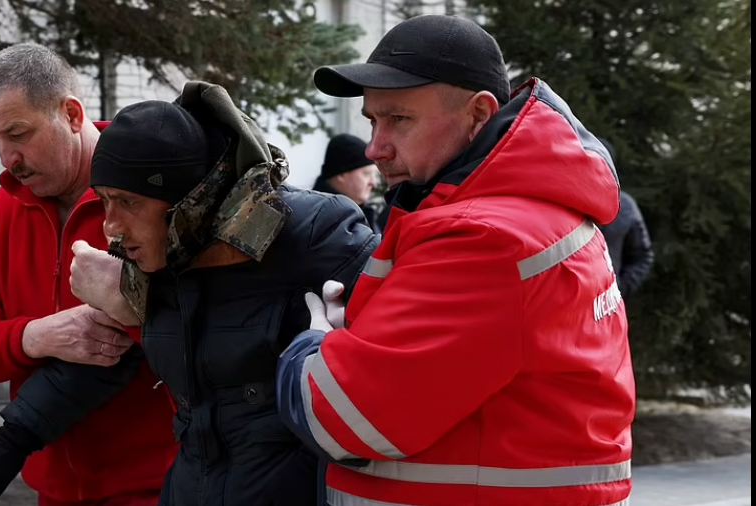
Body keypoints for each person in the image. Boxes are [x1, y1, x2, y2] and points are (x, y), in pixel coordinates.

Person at [275, 14, 635, 506]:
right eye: (372, 121)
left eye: (399, 119)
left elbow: (342, 417)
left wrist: (311, 347)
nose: (375, 148)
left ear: (479, 115)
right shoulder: (534, 210)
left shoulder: (482, 235)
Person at [0, 84, 379, 506]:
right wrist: (15, 435)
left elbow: (396, 361)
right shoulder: (170, 252)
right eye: (104, 201)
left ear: (187, 197)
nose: (111, 226)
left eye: (127, 202)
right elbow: (112, 353)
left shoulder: (311, 233)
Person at [0, 43, 177, 506]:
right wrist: (37, 336)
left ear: (72, 113)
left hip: (160, 486)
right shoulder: (3, 211)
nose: (7, 158)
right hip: (52, 489)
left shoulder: (157, 192)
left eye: (18, 133)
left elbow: (203, 332)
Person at [597, 138, 655, 296]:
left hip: (607, 305)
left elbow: (642, 256)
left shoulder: (626, 207)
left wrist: (619, 289)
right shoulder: (564, 202)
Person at [312, 133, 383, 234]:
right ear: (341, 174)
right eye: (367, 174)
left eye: (374, 175)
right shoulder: (320, 220)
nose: (373, 183)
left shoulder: (361, 213)